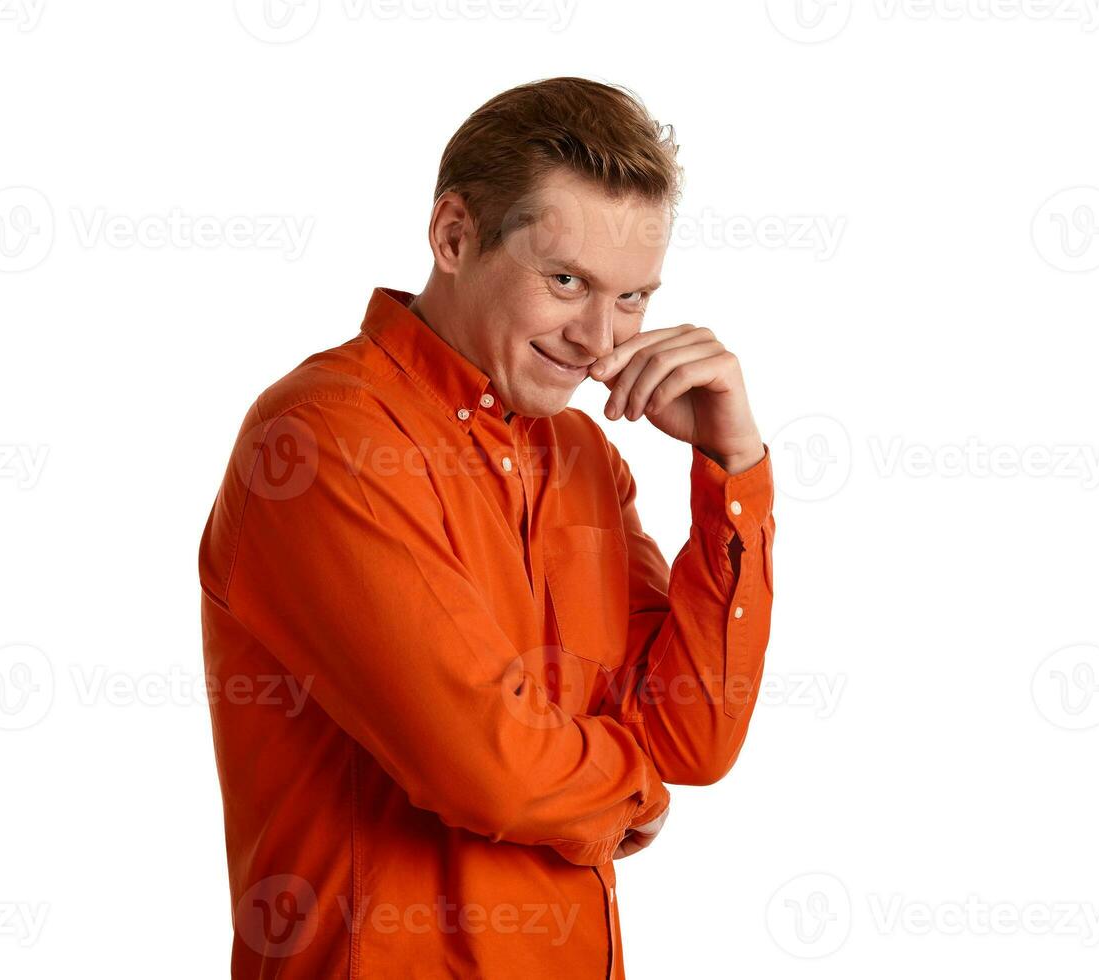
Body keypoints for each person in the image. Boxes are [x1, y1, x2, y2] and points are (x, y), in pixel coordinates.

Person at [197, 76, 776, 978]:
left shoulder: (583, 455)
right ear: (455, 235)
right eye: (567, 281)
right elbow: (483, 764)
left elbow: (693, 736)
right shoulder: (322, 439)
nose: (598, 338)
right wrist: (633, 793)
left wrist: (731, 473)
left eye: (631, 299)